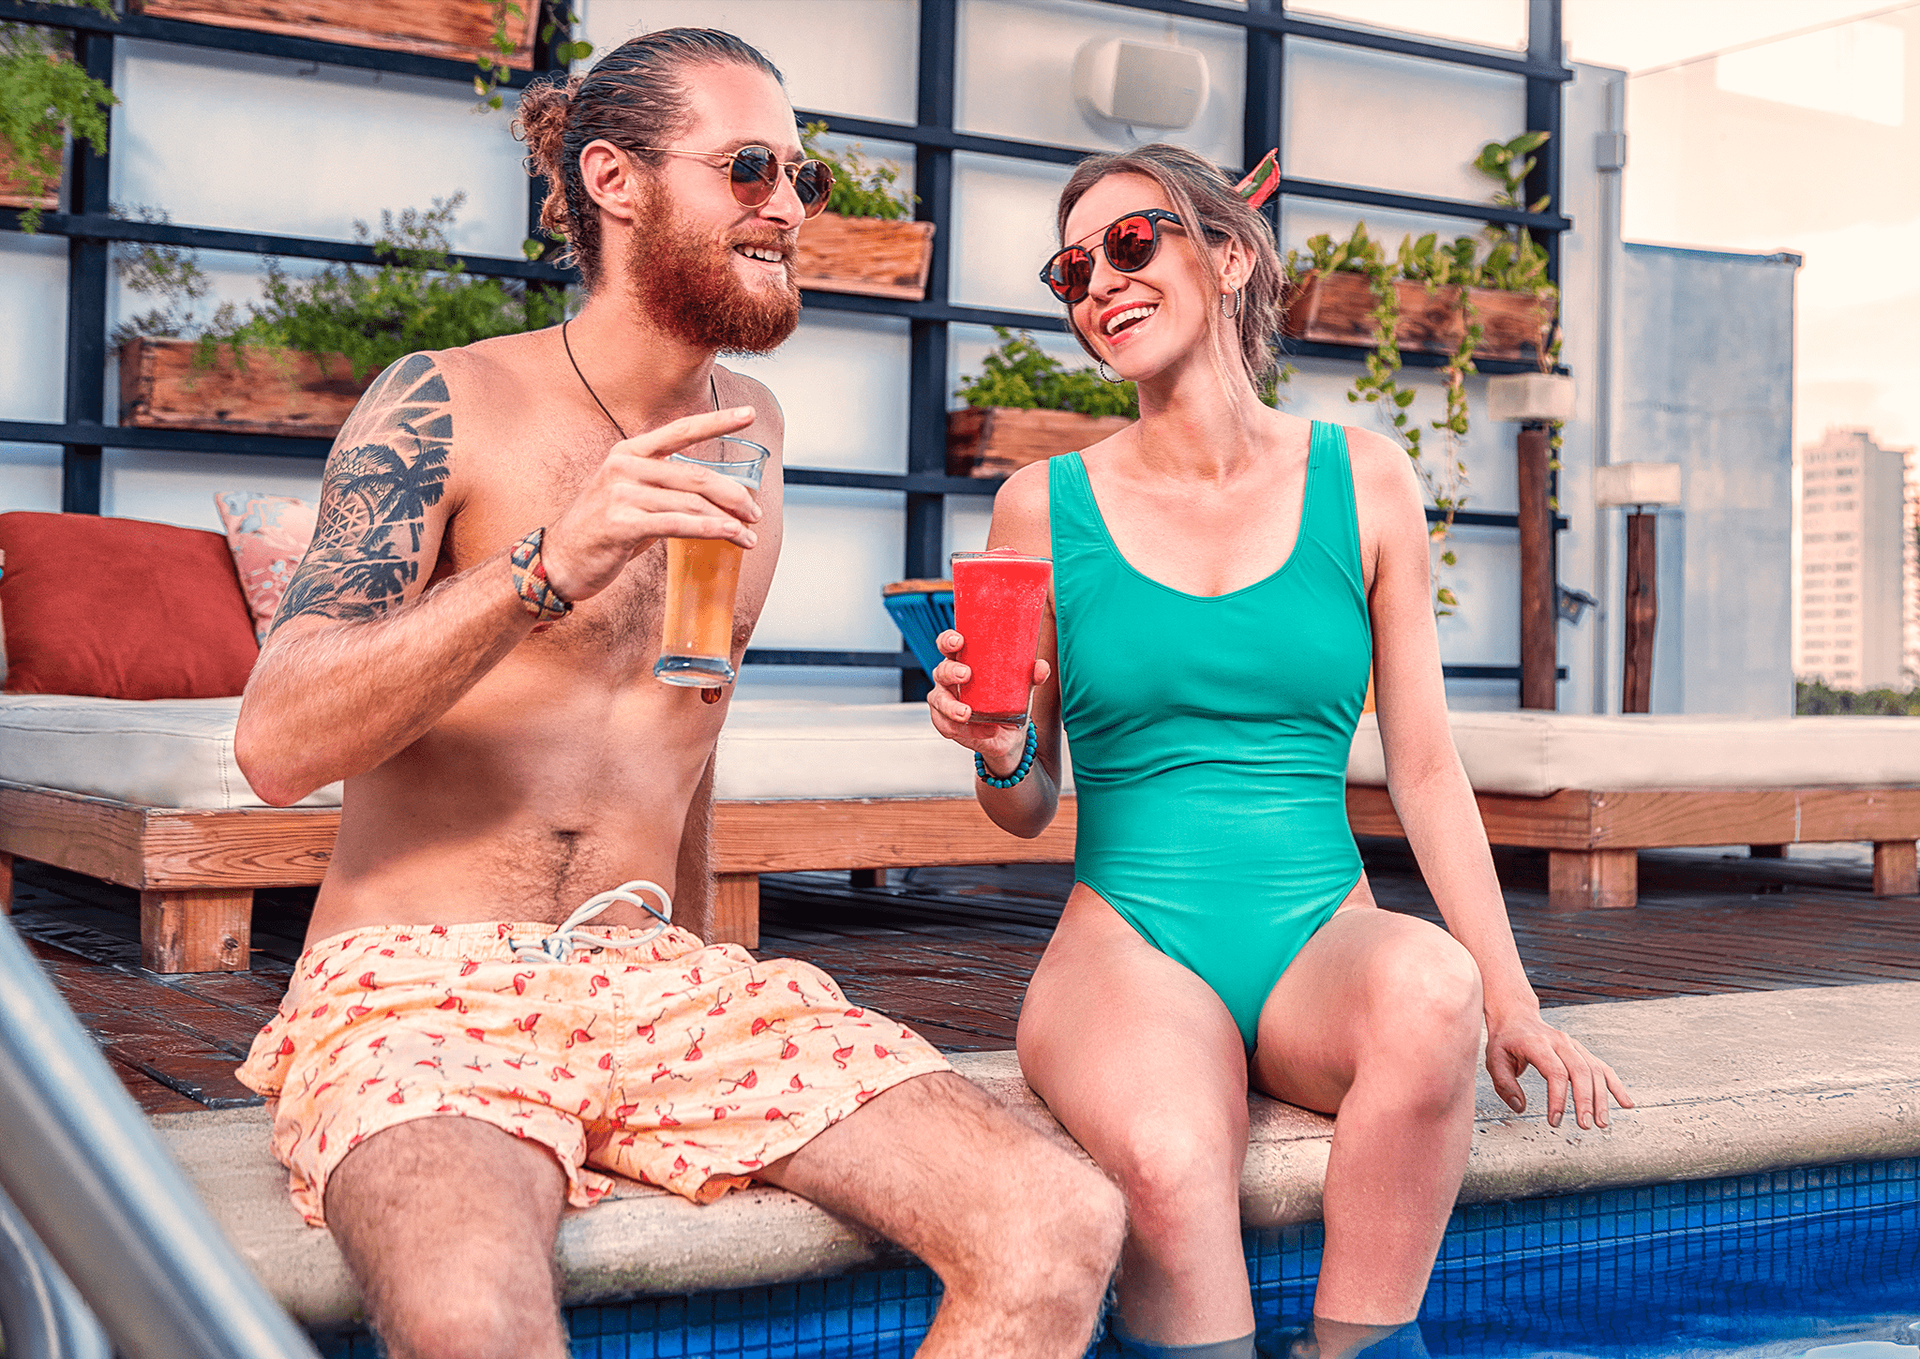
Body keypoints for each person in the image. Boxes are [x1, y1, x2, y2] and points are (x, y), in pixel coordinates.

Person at [232, 29, 1123, 1359]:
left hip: (663, 980)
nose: (788, 205)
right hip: (416, 986)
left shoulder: (754, 430)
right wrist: (545, 568)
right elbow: (276, 738)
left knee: (1057, 1220)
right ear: (615, 179)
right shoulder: (443, 400)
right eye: (750, 167)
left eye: (804, 180)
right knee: (472, 1313)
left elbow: (682, 739)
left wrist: (713, 964)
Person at [926, 143, 1634, 1359]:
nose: (1101, 282)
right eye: (1073, 267)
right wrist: (995, 749)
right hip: (1130, 945)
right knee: (1168, 1154)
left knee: (1437, 993)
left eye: (1134, 244)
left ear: (1232, 253)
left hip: (1319, 931)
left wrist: (1515, 1000)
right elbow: (1027, 804)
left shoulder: (1365, 478)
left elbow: (1423, 767)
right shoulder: (1042, 505)